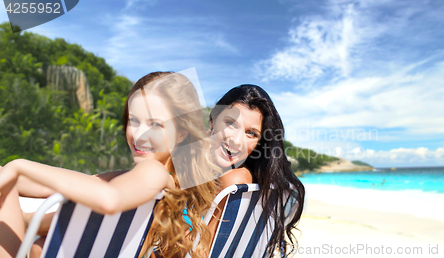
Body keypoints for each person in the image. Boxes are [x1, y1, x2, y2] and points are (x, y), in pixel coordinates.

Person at [0, 71, 218, 258]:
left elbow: (109, 199)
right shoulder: (168, 180)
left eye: (155, 124)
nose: (140, 135)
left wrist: (19, 165)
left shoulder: (152, 173)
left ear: (180, 133)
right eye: (134, 120)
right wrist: (13, 178)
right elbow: (79, 183)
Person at [207, 84, 305, 257]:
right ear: (212, 120)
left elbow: (201, 250)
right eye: (230, 124)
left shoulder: (234, 181)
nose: (236, 140)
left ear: (260, 142)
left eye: (251, 133)